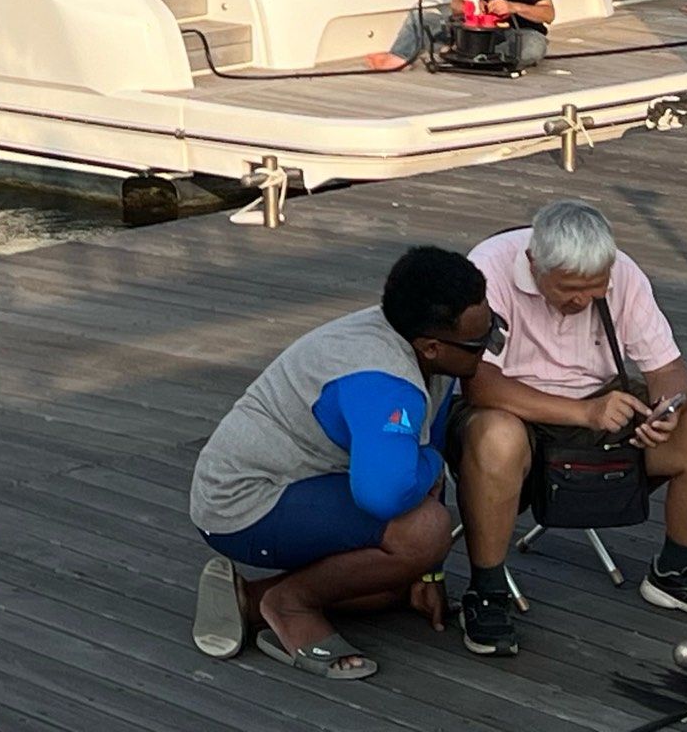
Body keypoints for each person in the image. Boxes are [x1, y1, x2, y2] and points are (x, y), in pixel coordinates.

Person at [188, 247, 504, 684]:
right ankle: (289, 605)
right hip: (243, 503)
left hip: (308, 480)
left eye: (493, 328)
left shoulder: (420, 343)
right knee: (425, 531)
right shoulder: (386, 383)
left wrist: (427, 572)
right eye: (480, 343)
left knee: (390, 584)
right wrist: (431, 462)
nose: (488, 352)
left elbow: (417, 444)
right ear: (432, 346)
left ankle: (248, 598)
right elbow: (385, 494)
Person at [450, 199, 687, 657]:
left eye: (594, 289)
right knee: (497, 438)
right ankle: (486, 591)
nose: (582, 300)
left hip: (604, 403)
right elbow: (480, 384)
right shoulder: (488, 270)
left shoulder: (623, 274)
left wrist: (669, 409)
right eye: (568, 290)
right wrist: (584, 413)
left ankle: (675, 573)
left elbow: (669, 368)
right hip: (512, 407)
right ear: (533, 265)